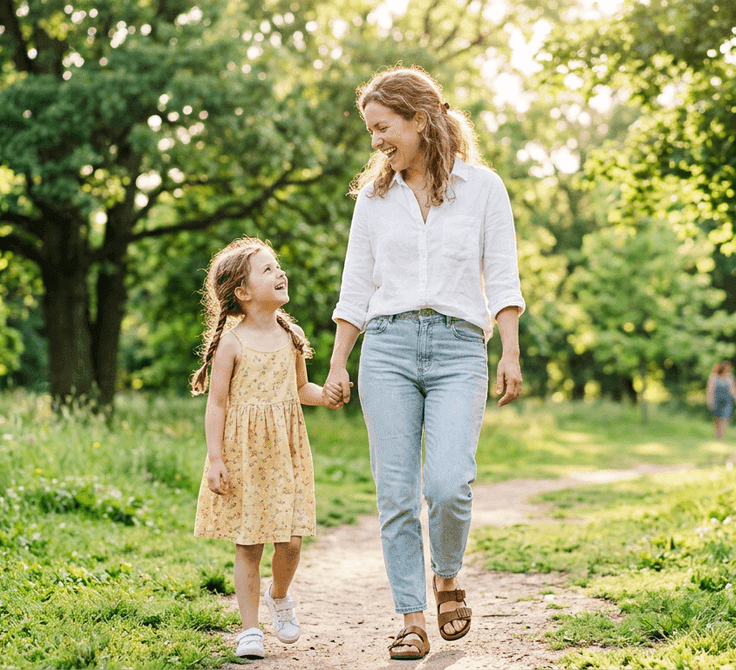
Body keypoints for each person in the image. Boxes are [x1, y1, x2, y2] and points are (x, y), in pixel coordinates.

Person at [323, 65, 525, 661]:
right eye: (370, 130)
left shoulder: (484, 188)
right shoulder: (374, 198)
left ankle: (448, 578)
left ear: (420, 119)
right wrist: (338, 364)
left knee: (449, 483)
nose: (376, 140)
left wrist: (509, 350)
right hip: (385, 348)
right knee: (395, 492)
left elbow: (504, 275)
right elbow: (355, 287)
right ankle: (410, 618)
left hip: (460, 346)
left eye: (383, 126)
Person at [190, 237, 342, 660]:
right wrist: (216, 458)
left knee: (291, 543)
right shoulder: (232, 343)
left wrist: (325, 395)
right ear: (242, 292)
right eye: (268, 269)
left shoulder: (290, 335)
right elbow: (216, 402)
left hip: (285, 454)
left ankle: (280, 595)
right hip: (243, 456)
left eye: (278, 266)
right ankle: (250, 630)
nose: (280, 273)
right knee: (249, 544)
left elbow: (300, 389)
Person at [706, 361, 736, 440]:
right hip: (716, 400)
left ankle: (722, 436)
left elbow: (734, 390)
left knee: (725, 417)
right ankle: (717, 435)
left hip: (727, 401)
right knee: (717, 419)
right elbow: (710, 390)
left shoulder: (730, 377)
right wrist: (710, 401)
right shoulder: (714, 376)